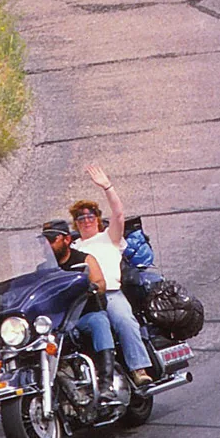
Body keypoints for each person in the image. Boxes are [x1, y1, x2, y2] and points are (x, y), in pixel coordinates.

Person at [67, 165, 153, 385]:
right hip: (82, 300)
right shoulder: (73, 246)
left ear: (97, 218)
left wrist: (107, 187)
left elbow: (119, 214)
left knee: (125, 320)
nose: (86, 220)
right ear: (75, 223)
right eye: (80, 217)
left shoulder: (109, 237)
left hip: (111, 294)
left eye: (90, 216)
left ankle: (139, 369)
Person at [41, 216, 120, 402]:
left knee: (99, 322)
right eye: (44, 241)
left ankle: (106, 383)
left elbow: (100, 282)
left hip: (84, 315)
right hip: (59, 323)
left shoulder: (84, 259)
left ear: (67, 239)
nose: (47, 245)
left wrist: (92, 286)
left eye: (52, 240)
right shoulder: (43, 269)